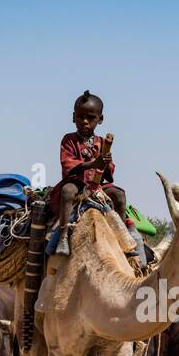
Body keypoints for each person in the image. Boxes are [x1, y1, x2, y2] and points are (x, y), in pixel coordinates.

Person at [51, 90, 131, 257]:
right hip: (76, 183)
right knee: (67, 192)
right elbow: (68, 166)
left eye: (91, 118)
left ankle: (122, 238)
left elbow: (109, 174)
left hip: (97, 187)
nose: (85, 122)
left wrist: (106, 162)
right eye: (80, 117)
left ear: (100, 119)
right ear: (74, 117)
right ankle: (64, 236)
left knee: (119, 195)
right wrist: (93, 163)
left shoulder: (102, 143)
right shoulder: (69, 140)